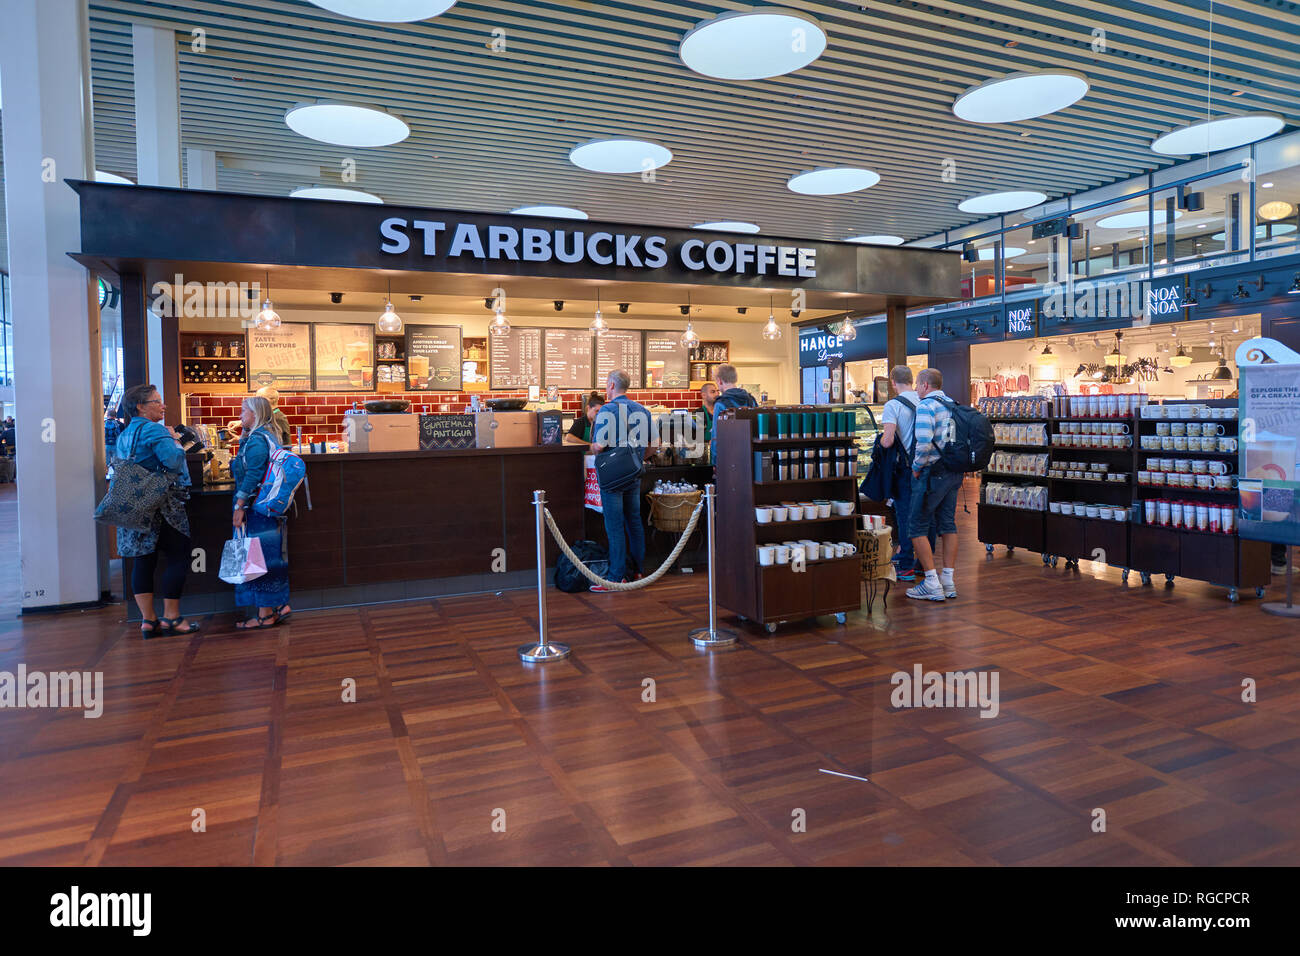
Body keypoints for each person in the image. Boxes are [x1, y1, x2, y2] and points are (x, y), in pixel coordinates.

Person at [113, 384, 200, 637]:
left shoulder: (125, 434)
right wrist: (173, 438)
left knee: (143, 560)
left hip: (132, 506)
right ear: (140, 406)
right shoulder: (155, 431)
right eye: (157, 401)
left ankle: (148, 621)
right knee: (179, 555)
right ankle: (172, 618)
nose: (163, 405)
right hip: (161, 506)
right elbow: (173, 461)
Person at [231, 396, 292, 628]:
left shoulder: (257, 440)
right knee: (268, 555)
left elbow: (253, 475)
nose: (240, 416)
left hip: (256, 507)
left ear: (255, 414)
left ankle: (265, 614)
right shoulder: (267, 435)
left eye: (243, 411)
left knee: (256, 557)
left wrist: (239, 505)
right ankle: (276, 606)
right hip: (266, 507)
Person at [589, 369, 652, 592]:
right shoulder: (642, 410)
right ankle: (637, 572)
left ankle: (616, 577)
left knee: (614, 525)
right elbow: (655, 443)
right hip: (634, 475)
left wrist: (595, 451)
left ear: (612, 385)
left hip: (612, 477)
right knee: (634, 522)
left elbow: (599, 446)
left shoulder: (606, 410)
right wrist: (636, 460)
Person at [905, 368, 963, 602]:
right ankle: (948, 581)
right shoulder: (953, 404)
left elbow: (924, 442)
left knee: (916, 526)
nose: (917, 389)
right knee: (948, 524)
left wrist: (917, 466)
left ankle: (931, 582)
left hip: (932, 472)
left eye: (918, 385)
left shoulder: (926, 406)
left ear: (925, 385)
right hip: (954, 471)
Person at [877, 365, 935, 582]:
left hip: (905, 469)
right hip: (928, 465)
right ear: (913, 381)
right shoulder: (925, 400)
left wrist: (880, 441)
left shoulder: (893, 405)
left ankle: (906, 564)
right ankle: (924, 563)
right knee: (924, 514)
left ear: (893, 382)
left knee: (904, 515)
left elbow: (889, 439)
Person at [709, 364, 757, 462]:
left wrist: (714, 461)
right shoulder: (751, 400)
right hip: (750, 455)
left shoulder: (720, 404)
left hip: (729, 457)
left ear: (719, 381)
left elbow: (716, 437)